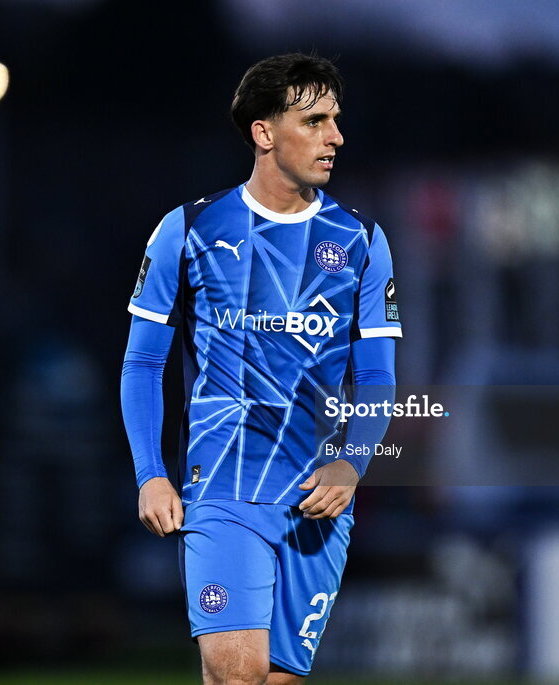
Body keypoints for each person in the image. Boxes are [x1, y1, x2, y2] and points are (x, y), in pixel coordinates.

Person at [120, 53, 401, 684]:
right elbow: (142, 363)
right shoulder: (188, 230)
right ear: (264, 132)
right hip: (223, 489)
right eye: (316, 121)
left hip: (316, 501)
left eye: (336, 120)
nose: (336, 137)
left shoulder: (363, 241)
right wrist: (149, 473)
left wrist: (352, 464)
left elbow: (378, 379)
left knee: (278, 681)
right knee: (235, 675)